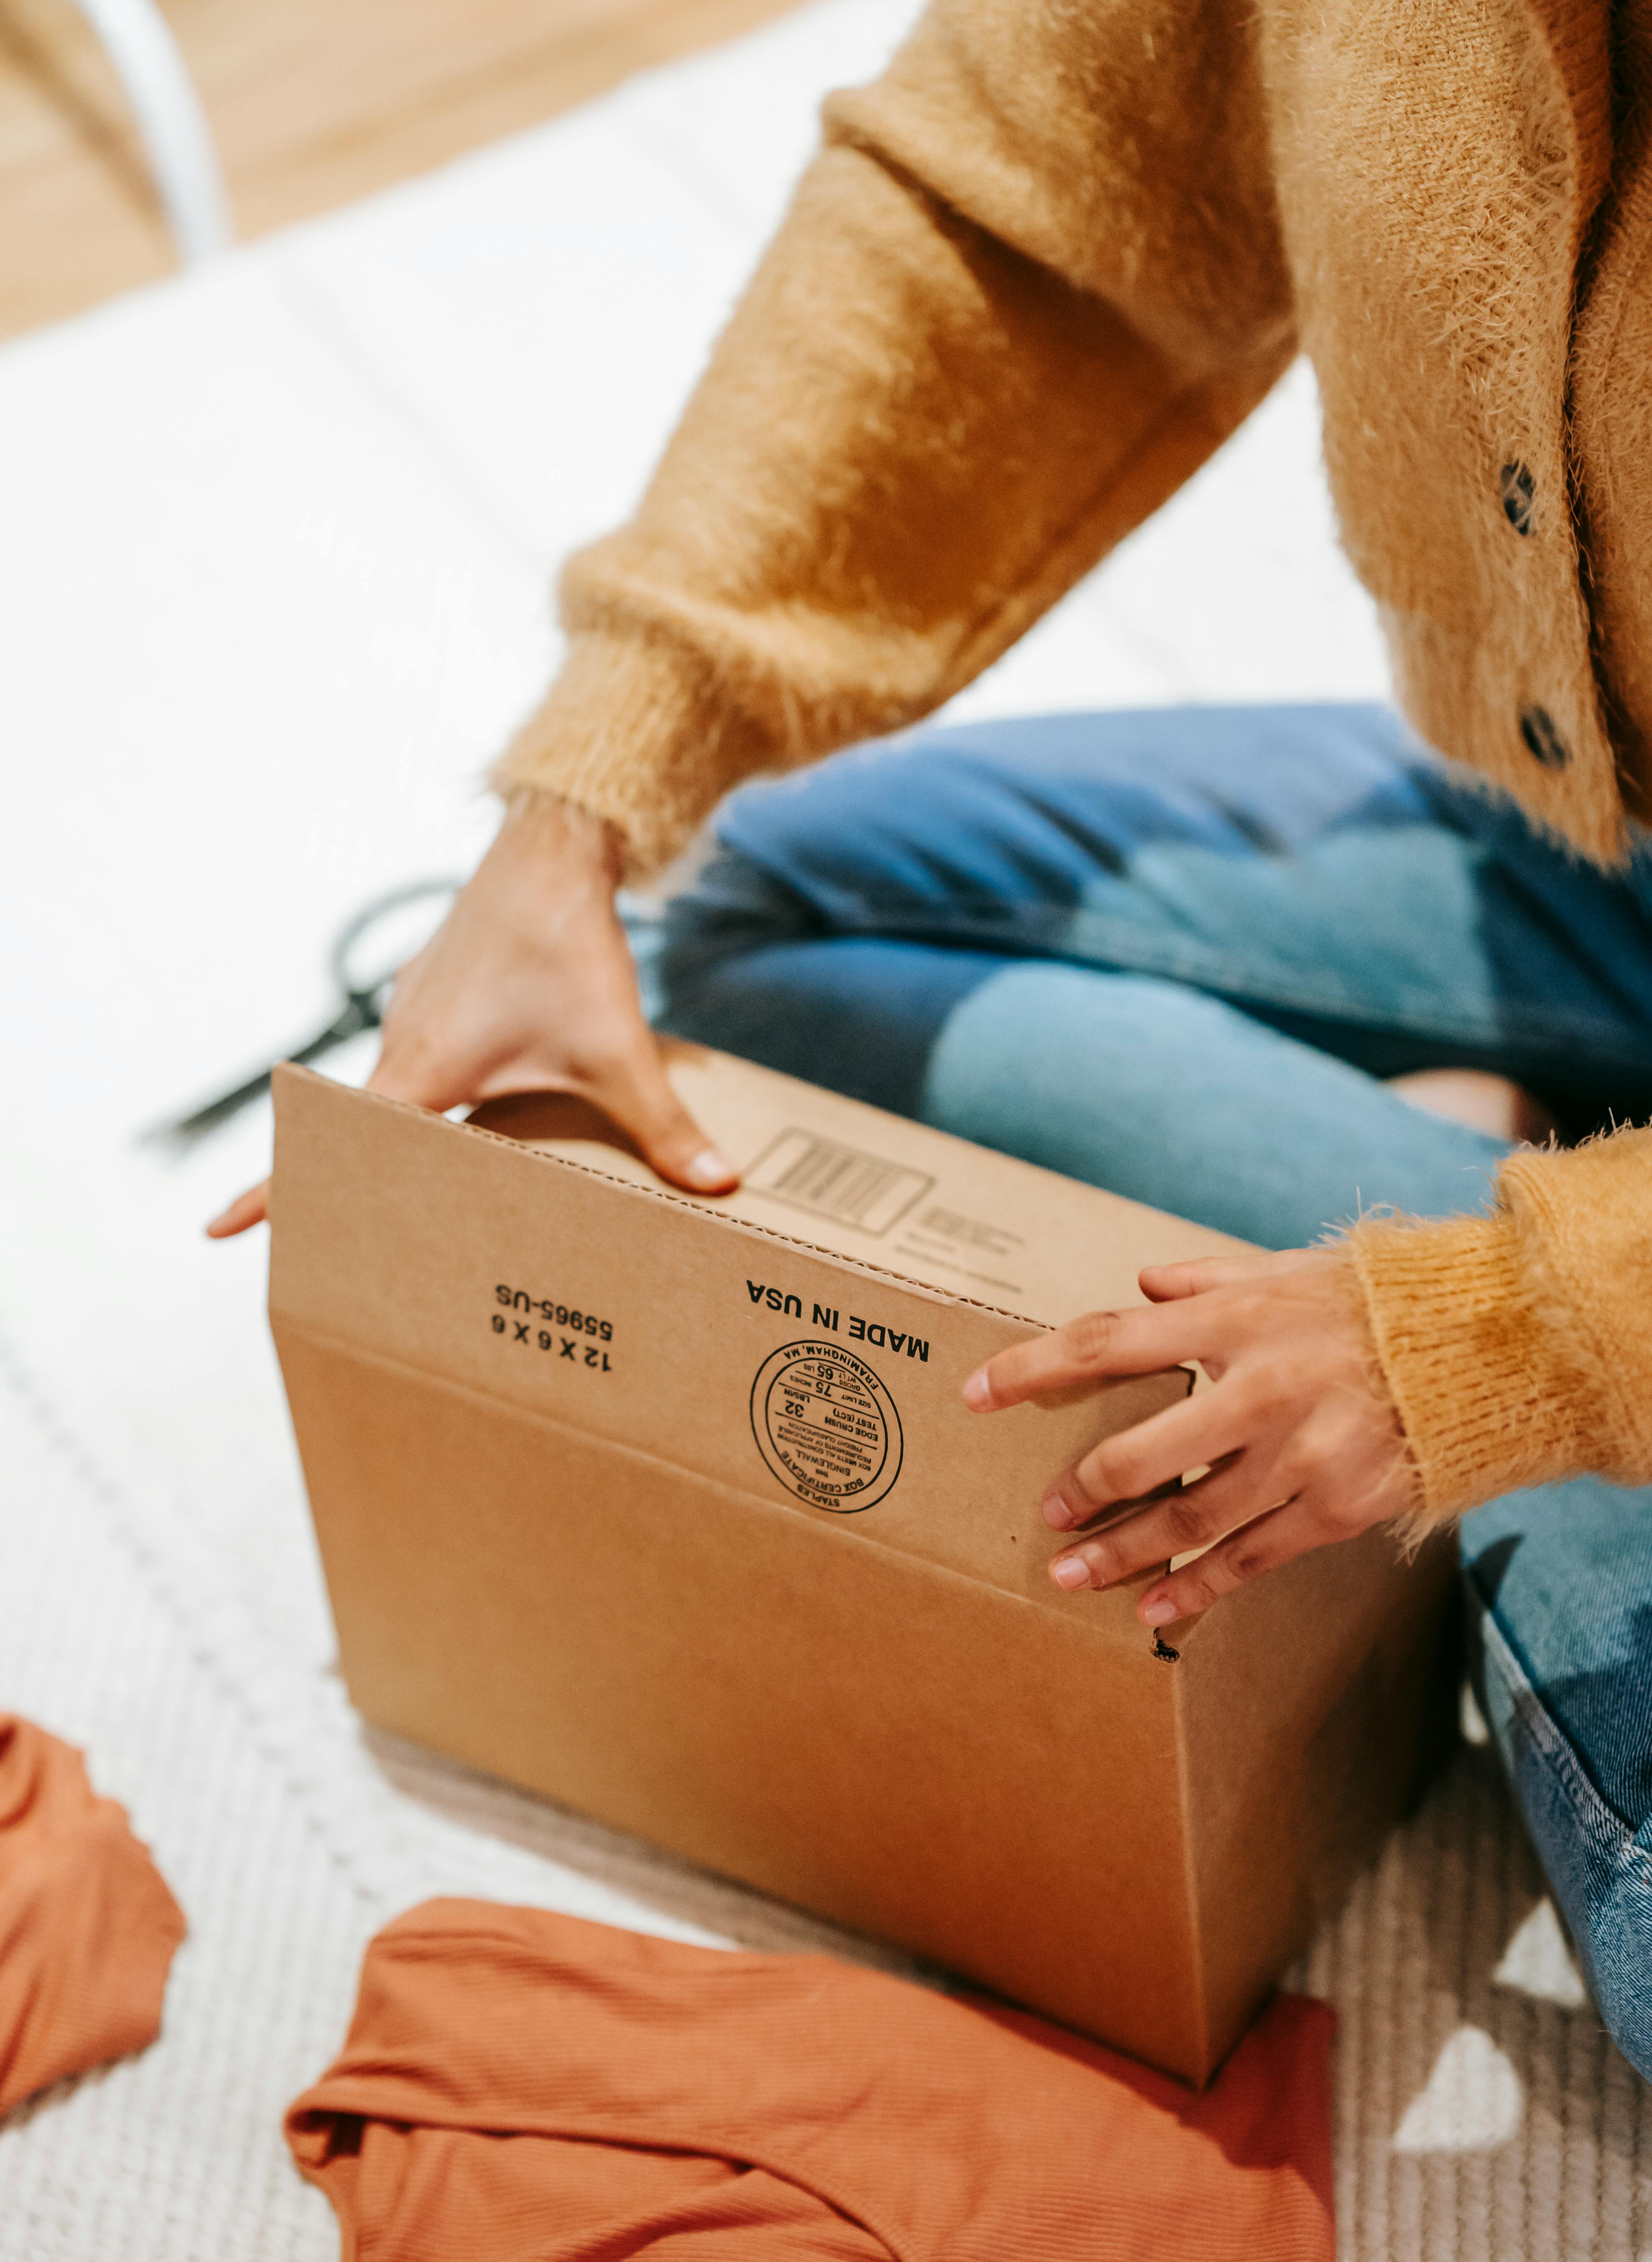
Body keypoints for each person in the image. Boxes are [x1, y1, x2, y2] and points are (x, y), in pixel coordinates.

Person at [213, 0, 1652, 2073]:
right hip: (1577, 811)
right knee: (764, 925)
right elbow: (1018, 185)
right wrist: (584, 801)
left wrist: (1510, 1333)